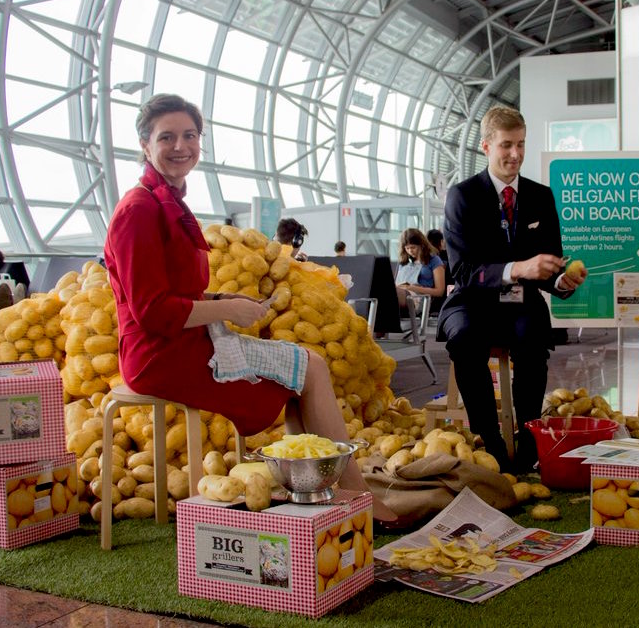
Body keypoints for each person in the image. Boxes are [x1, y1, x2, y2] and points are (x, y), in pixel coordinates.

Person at [103, 94, 395, 522]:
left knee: (305, 369)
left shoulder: (164, 201)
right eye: (167, 137)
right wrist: (227, 313)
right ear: (145, 145)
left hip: (180, 343)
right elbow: (153, 312)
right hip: (160, 355)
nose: (180, 145)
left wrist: (222, 300)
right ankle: (358, 499)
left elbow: (169, 293)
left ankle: (321, 495)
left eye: (190, 135)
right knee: (310, 367)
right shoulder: (140, 210)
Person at [438, 106, 587, 473]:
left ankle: (529, 439)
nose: (515, 154)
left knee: (533, 335)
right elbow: (462, 270)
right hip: (472, 300)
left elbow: (549, 265)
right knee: (465, 338)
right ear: (486, 146)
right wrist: (517, 268)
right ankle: (490, 440)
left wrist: (560, 281)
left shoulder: (541, 197)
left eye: (520, 144)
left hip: (521, 303)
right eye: (506, 145)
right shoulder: (462, 196)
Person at [395, 228, 445, 313]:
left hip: (420, 300)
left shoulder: (434, 260)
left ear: (421, 245)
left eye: (413, 247)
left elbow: (440, 291)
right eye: (407, 248)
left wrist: (412, 288)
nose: (410, 251)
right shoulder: (403, 262)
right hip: (403, 295)